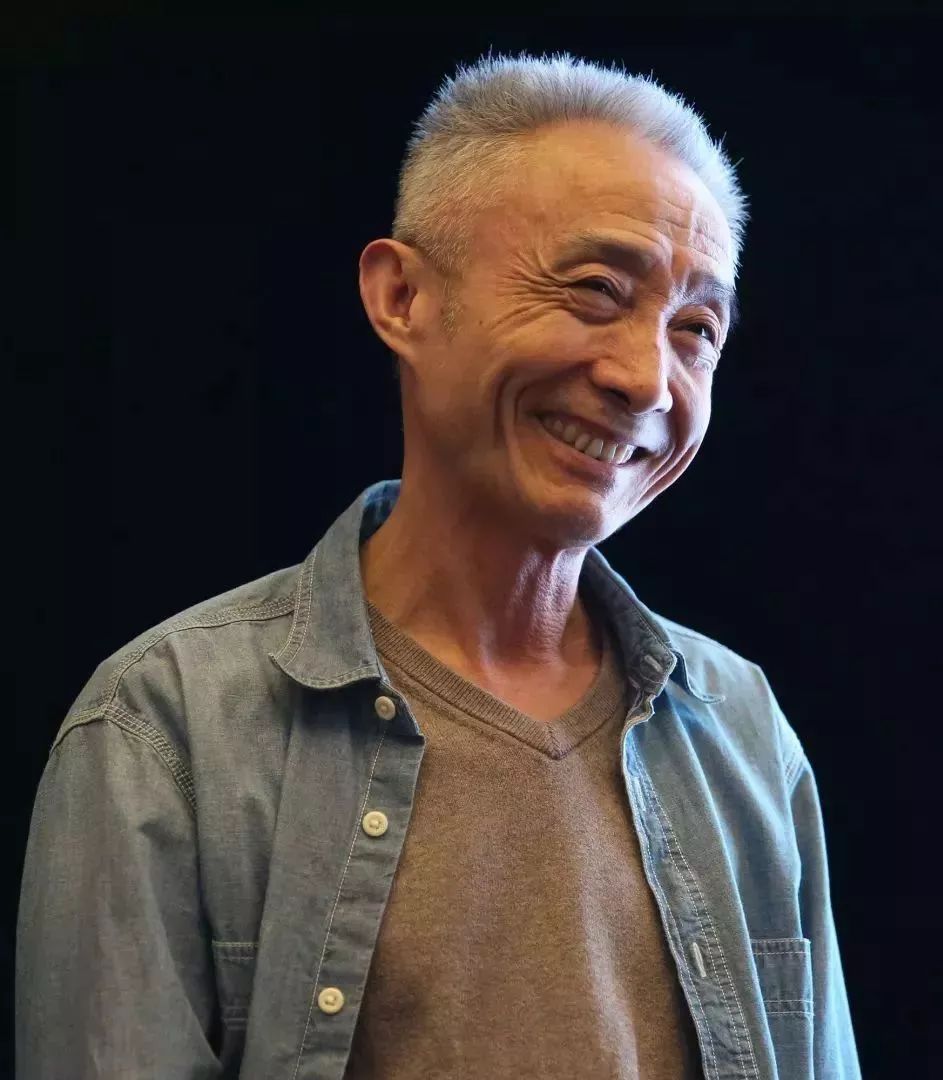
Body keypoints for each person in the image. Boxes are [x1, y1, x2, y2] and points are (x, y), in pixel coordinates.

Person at [16, 52, 861, 1080]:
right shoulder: (169, 728)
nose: (647, 380)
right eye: (596, 291)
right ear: (403, 296)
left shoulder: (742, 730)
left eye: (696, 330)